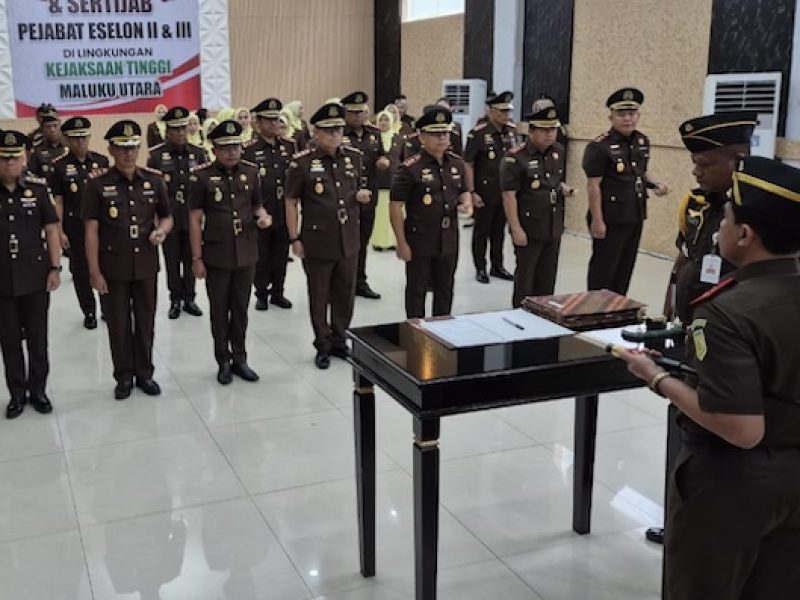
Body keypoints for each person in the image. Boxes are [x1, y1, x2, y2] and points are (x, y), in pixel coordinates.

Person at [617, 156, 800, 599]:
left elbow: (740, 428)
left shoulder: (727, 312)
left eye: (727, 218)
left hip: (733, 486)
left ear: (744, 234)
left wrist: (656, 377)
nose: (719, 227)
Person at [640, 111, 758, 547]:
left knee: (711, 436)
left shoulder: (754, 213)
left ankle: (702, 527)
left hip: (727, 341)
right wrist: (673, 295)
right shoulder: (698, 204)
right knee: (686, 427)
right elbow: (688, 254)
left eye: (705, 162)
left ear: (737, 159)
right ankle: (680, 519)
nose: (695, 169)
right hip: (694, 330)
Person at [83, 120, 173, 400]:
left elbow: (168, 216)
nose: (129, 154)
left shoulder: (154, 180)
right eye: (122, 148)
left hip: (146, 264)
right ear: (110, 149)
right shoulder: (97, 184)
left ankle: (145, 373)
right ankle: (123, 376)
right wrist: (94, 272)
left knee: (145, 321)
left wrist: (161, 230)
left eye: (133, 147)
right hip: (113, 267)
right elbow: (91, 231)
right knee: (119, 324)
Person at [285, 102, 372, 369]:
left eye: (338, 129)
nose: (335, 135)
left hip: (348, 237)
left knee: (345, 293)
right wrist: (294, 238)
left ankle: (339, 338)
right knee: (320, 294)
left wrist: (361, 196)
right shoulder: (302, 163)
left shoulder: (354, 157)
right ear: (316, 132)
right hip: (318, 240)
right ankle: (322, 343)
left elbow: (358, 188)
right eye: (328, 130)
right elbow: (290, 201)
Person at [189, 120, 272, 384]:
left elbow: (257, 205)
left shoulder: (251, 172)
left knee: (240, 308)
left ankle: (240, 358)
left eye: (235, 146)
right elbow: (194, 220)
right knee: (219, 310)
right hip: (216, 253)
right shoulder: (200, 177)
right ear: (214, 149)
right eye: (225, 147)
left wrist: (263, 217)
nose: (231, 152)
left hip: (246, 251)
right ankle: (222, 360)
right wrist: (196, 258)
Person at [582, 88, 669, 295]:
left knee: (625, 268)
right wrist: (597, 220)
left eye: (632, 114)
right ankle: (596, 309)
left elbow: (638, 173)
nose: (627, 119)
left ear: (638, 116)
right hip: (610, 217)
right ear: (611, 117)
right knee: (604, 269)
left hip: (634, 213)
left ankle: (619, 308)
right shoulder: (599, 146)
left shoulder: (642, 141)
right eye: (621, 114)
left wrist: (654, 184)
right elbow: (593, 185)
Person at [0, 131, 61, 419]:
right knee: (9, 339)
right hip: (2, 277)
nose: (9, 163)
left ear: (24, 158)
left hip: (35, 274)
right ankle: (16, 393)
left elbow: (51, 229)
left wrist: (55, 267)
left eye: (14, 158)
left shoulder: (37, 189)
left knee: (38, 337)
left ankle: (38, 390)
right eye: (3, 158)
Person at [390, 107, 471, 318]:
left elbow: (463, 191)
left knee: (445, 290)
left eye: (445, 133)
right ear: (422, 136)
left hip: (449, 237)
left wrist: (466, 201)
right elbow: (395, 206)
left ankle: (442, 333)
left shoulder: (457, 164)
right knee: (417, 291)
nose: (443, 138)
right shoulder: (409, 168)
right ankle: (415, 335)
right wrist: (401, 242)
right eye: (436, 133)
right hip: (420, 238)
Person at [501, 107, 574, 307]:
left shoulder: (558, 151)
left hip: (552, 224)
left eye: (553, 129)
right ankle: (520, 317)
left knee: (547, 277)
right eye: (544, 129)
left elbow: (552, 181)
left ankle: (544, 316)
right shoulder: (515, 157)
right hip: (528, 226)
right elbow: (509, 195)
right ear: (531, 131)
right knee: (526, 278)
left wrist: (563, 189)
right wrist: (516, 229)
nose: (550, 133)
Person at [147, 106, 209, 319]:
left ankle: (190, 298)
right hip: (169, 218)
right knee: (172, 260)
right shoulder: (156, 156)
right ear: (168, 130)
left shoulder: (199, 153)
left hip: (193, 218)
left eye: (183, 128)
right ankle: (175, 299)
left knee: (193, 256)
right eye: (176, 129)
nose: (181, 133)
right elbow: (152, 192)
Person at [49, 116, 110, 329]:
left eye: (84, 137)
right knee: (81, 272)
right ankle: (89, 310)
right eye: (75, 138)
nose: (80, 142)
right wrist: (59, 231)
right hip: (75, 228)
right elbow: (58, 201)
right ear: (66, 140)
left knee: (106, 267)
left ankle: (107, 307)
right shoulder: (58, 167)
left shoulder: (101, 162)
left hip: (102, 228)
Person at [242, 98, 296, 311]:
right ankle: (261, 293)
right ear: (258, 122)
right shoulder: (249, 149)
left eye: (277, 120)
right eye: (269, 120)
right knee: (262, 256)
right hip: (260, 211)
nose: (274, 124)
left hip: (284, 211)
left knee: (281, 255)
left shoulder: (289, 146)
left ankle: (278, 292)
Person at [464, 91, 518, 284]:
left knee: (499, 231)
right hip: (485, 192)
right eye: (502, 111)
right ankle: (480, 267)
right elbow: (468, 163)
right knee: (482, 231)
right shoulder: (478, 133)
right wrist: (471, 192)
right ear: (492, 111)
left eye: (508, 111)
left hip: (506, 192)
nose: (506, 115)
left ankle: (497, 266)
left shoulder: (512, 131)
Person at [341, 91, 386, 300]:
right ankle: (344, 283)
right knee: (346, 242)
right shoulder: (338, 134)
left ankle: (360, 281)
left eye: (362, 112)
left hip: (369, 196)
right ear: (345, 113)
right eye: (353, 112)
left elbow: (381, 155)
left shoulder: (374, 133)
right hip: (346, 198)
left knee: (362, 241)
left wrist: (383, 161)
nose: (358, 116)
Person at [370, 109, 401, 251]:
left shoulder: (398, 138)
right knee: (380, 214)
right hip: (377, 181)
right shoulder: (373, 138)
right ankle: (379, 241)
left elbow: (404, 160)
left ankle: (393, 241)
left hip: (395, 181)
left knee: (394, 211)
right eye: (381, 120)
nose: (383, 123)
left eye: (386, 120)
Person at [28, 107, 66, 177]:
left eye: (55, 126)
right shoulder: (37, 150)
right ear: (43, 129)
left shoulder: (70, 146)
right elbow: (32, 174)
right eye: (48, 127)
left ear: (60, 127)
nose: (52, 130)